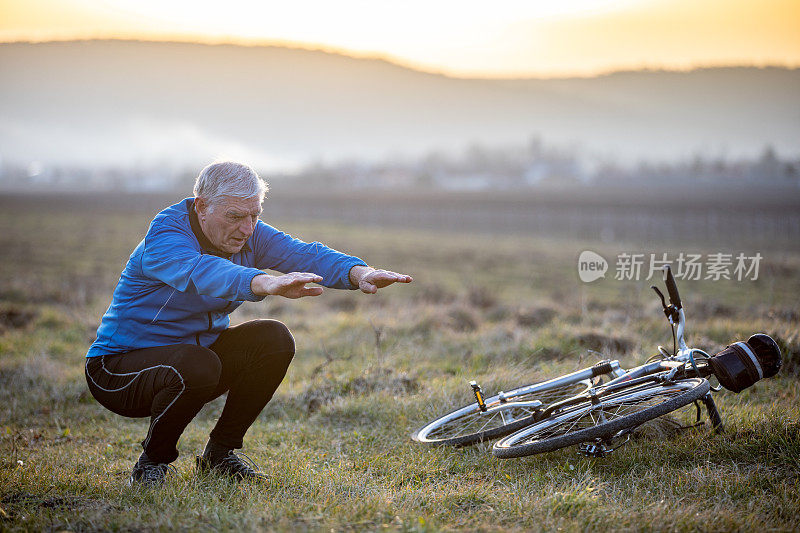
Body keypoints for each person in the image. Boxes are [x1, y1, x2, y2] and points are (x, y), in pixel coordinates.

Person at [84, 161, 412, 487]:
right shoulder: (166, 238)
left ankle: (219, 456)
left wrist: (361, 273)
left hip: (194, 361)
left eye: (254, 215)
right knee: (198, 364)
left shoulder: (248, 234)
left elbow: (305, 254)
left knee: (273, 338)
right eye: (235, 216)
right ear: (201, 207)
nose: (247, 228)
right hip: (118, 371)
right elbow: (202, 271)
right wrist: (263, 282)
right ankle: (151, 463)